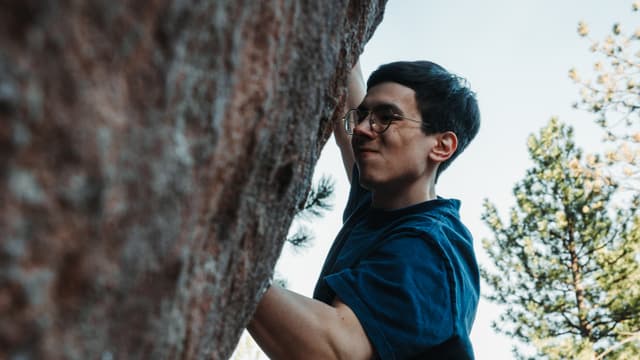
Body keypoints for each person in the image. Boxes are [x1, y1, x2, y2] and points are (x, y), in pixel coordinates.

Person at [248, 59, 481, 359]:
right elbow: (350, 76)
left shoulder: (429, 248)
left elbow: (335, 352)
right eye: (362, 116)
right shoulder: (380, 201)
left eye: (387, 117)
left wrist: (225, 253)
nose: (360, 129)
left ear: (441, 146)